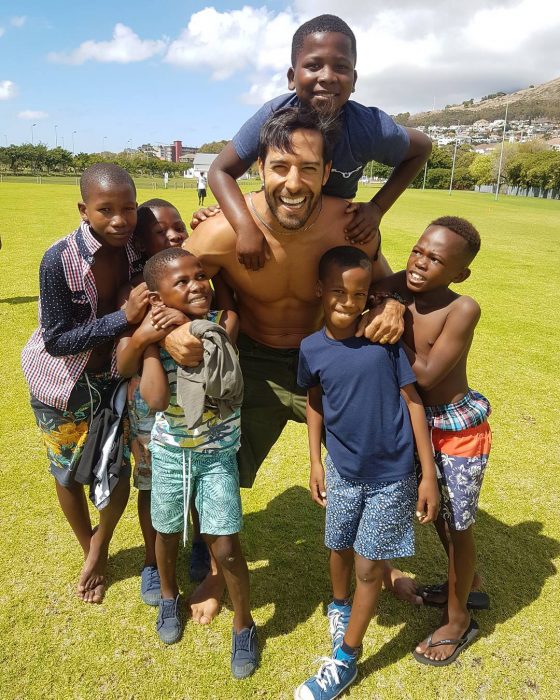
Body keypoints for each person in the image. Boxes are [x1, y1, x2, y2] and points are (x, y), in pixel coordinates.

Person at [163, 107, 407, 624]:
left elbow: (382, 280)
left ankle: (381, 561)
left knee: (381, 453)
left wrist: (389, 304)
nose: (293, 183)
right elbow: (167, 284)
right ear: (259, 169)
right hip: (251, 361)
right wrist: (171, 327)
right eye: (280, 167)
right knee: (215, 465)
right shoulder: (222, 231)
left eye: (309, 169)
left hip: (331, 357)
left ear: (326, 171)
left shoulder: (348, 224)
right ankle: (211, 567)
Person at [294, 246, 439, 699]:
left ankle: (346, 660)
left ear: (369, 296)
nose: (348, 301)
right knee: (337, 544)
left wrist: (427, 474)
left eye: (359, 293)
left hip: (392, 476)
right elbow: (315, 400)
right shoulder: (310, 348)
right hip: (341, 469)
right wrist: (316, 460)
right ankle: (340, 607)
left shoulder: (383, 342)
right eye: (337, 291)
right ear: (320, 290)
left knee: (368, 567)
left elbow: (414, 403)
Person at [204, 14, 431, 270]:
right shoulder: (273, 117)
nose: (327, 76)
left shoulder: (369, 128)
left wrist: (377, 207)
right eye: (313, 65)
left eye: (341, 67)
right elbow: (220, 170)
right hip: (282, 223)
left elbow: (422, 147)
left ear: (354, 81)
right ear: (292, 76)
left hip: (333, 234)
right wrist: (244, 226)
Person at [21, 163, 148, 604]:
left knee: (116, 470)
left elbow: (179, 248)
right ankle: (87, 546)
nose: (119, 220)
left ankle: (100, 545)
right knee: (68, 471)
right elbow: (56, 340)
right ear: (83, 209)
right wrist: (122, 319)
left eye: (128, 208)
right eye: (106, 209)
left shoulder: (136, 250)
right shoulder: (60, 259)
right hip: (61, 384)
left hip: (113, 378)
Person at [131, 247, 258, 678]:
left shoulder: (224, 322)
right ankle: (168, 598)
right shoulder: (151, 335)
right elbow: (155, 400)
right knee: (165, 534)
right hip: (169, 455)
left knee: (225, 543)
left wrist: (179, 324)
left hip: (217, 455)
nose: (196, 285)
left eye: (199, 275)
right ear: (157, 297)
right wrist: (149, 340)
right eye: (181, 282)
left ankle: (244, 623)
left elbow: (215, 346)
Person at [371, 216, 491, 665]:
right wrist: (387, 298)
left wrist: (393, 316)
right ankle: (466, 582)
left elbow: (424, 375)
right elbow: (369, 287)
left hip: (456, 428)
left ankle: (458, 621)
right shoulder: (400, 284)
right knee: (435, 512)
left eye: (436, 259)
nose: (420, 263)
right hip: (415, 422)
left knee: (459, 525)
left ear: (459, 273)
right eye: (418, 250)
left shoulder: (463, 308)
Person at [116, 202, 209, 607]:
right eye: (160, 231)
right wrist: (146, 333)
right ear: (140, 241)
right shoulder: (135, 291)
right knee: (151, 483)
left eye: (178, 227)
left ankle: (203, 544)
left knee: (199, 480)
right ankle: (152, 560)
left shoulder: (193, 274)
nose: (173, 234)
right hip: (148, 407)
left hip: (195, 404)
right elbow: (123, 360)